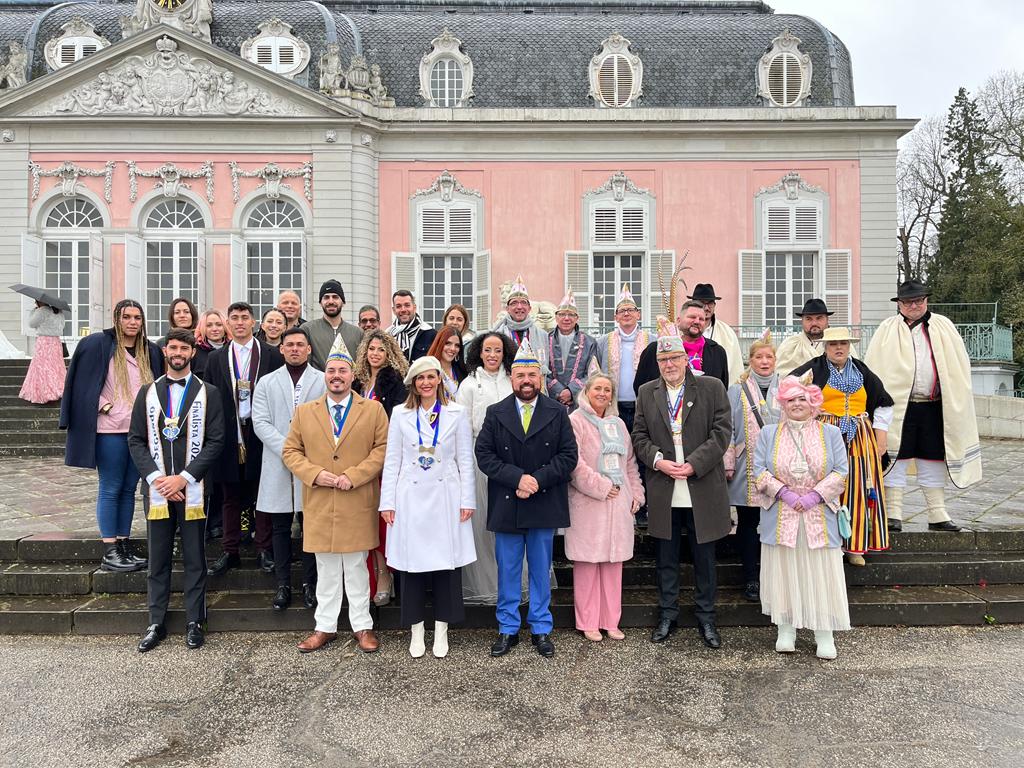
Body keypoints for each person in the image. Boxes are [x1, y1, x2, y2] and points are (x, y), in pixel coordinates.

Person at [283, 334, 388, 654]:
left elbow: (382, 450)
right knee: (326, 568)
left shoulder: (372, 410)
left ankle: (362, 626)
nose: (337, 376)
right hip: (320, 502)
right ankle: (325, 626)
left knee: (357, 568)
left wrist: (352, 476)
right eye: (331, 371)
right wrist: (316, 474)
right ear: (325, 375)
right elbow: (290, 451)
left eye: (342, 371)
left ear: (352, 375)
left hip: (356, 500)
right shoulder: (305, 412)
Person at [632, 317, 731, 649]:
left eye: (674, 358)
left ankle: (706, 618)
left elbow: (721, 434)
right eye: (663, 360)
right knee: (667, 559)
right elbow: (639, 436)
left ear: (685, 359)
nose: (669, 365)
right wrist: (659, 460)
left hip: (700, 485)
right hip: (665, 486)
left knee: (704, 559)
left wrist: (693, 464)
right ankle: (668, 614)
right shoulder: (648, 393)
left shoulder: (711, 387)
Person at [475, 339, 578, 658]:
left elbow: (568, 455)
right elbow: (484, 454)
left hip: (543, 500)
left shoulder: (557, 412)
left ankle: (541, 628)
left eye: (532, 375)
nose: (527, 381)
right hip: (508, 500)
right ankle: (507, 628)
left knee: (540, 569)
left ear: (540, 378)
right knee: (507, 570)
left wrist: (536, 480)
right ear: (512, 378)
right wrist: (517, 478)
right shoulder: (496, 412)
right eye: (520, 375)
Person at [128, 328, 225, 652]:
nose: (179, 352)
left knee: (195, 557)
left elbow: (215, 441)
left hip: (192, 489)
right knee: (158, 558)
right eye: (173, 347)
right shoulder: (147, 393)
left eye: (184, 347)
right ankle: (156, 621)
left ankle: (195, 620)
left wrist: (183, 478)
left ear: (192, 352)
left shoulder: (208, 393)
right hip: (158, 490)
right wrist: (159, 479)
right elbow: (136, 441)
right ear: (165, 351)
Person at [380, 356, 476, 658]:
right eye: (420, 378)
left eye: (431, 377)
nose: (426, 383)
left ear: (439, 380)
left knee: (446, 566)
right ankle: (417, 629)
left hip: (446, 496)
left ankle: (443, 628)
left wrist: (467, 500)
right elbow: (392, 460)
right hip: (410, 497)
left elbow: (465, 459)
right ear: (413, 382)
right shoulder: (399, 413)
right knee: (412, 567)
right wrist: (388, 502)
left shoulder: (456, 413)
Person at [865, 280, 980, 533]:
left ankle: (937, 513)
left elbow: (958, 366)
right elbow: (874, 369)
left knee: (934, 457)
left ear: (926, 300)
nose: (914, 305)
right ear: (900, 305)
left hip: (934, 405)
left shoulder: (944, 327)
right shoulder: (886, 329)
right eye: (908, 302)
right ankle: (893, 512)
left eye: (918, 300)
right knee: (896, 455)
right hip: (896, 407)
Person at [60, 299, 163, 572]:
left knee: (129, 489)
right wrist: (105, 406)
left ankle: (124, 544)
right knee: (111, 486)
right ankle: (109, 549)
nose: (132, 322)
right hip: (111, 430)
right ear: (116, 318)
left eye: (137, 318)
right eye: (127, 317)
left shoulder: (150, 350)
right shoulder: (98, 344)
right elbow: (81, 383)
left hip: (141, 431)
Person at [753, 375, 851, 660]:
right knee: (784, 571)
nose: (797, 404)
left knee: (820, 571)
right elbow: (759, 471)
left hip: (818, 514)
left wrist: (814, 496)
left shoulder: (830, 434)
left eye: (802, 399)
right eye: (791, 400)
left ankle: (824, 632)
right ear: (783, 404)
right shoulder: (769, 434)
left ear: (813, 404)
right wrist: (783, 493)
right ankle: (786, 629)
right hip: (781, 513)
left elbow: (841, 472)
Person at [792, 328, 894, 566]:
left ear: (849, 346)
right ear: (825, 347)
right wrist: (813, 412)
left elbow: (884, 403)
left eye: (843, 344)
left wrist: (881, 437)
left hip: (859, 436)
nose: (839, 348)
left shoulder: (862, 370)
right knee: (824, 487)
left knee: (857, 488)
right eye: (833, 344)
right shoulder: (814, 369)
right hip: (824, 435)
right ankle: (827, 542)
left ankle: (854, 546)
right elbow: (788, 393)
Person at [204, 302, 284, 577]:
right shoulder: (217, 359)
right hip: (229, 433)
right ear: (228, 323)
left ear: (254, 322)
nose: (239, 322)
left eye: (244, 318)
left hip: (261, 431)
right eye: (234, 318)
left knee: (263, 490)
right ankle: (231, 549)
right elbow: (210, 400)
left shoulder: (272, 355)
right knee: (230, 494)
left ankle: (264, 548)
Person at [252, 327, 326, 611]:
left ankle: (310, 583)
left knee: (310, 525)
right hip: (278, 460)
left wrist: (306, 450)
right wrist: (288, 449)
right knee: (280, 526)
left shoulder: (321, 380)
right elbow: (260, 422)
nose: (295, 349)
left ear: (309, 349)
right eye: (289, 345)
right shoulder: (267, 382)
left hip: (313, 461)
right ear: (281, 349)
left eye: (300, 345)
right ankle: (282, 584)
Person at [565, 372, 644, 642]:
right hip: (589, 503)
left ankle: (610, 621)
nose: (602, 393)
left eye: (607, 389)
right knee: (587, 565)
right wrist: (600, 486)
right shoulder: (575, 421)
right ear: (586, 391)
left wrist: (636, 493)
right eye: (597, 388)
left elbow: (630, 462)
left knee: (613, 566)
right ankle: (587, 621)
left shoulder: (619, 424)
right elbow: (574, 463)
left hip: (618, 502)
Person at [457, 332, 516, 605]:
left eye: (498, 350)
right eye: (487, 350)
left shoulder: (513, 380)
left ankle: (513, 583)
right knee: (482, 525)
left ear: (505, 354)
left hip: (513, 457)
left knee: (510, 523)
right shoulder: (469, 384)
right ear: (479, 353)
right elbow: (462, 426)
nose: (492, 355)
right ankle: (486, 585)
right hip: (481, 456)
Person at [352, 329, 409, 606]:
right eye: (371, 349)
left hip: (384, 457)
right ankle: (369, 576)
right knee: (364, 520)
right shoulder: (355, 381)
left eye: (381, 350)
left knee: (382, 521)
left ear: (389, 354)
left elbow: (397, 422)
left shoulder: (394, 382)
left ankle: (386, 574)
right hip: (355, 458)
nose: (375, 353)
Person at [724, 331, 781, 603]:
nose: (764, 361)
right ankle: (750, 576)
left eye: (769, 356)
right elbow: (728, 426)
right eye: (759, 356)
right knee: (748, 522)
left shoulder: (787, 387)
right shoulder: (737, 389)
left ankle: (774, 577)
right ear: (750, 360)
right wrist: (727, 461)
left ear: (776, 360)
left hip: (780, 467)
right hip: (747, 465)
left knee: (775, 521)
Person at [633, 300, 729, 394]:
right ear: (678, 321)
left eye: (701, 319)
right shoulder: (655, 349)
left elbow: (722, 390)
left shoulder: (717, 352)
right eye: (692, 317)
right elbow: (641, 387)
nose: (697, 321)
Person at [595, 284, 649, 433]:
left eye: (631, 310)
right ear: (616, 317)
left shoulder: (651, 340)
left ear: (638, 315)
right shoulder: (603, 342)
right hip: (613, 406)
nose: (626, 313)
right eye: (622, 311)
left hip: (643, 406)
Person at [546, 289, 598, 413]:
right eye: (562, 314)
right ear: (556, 317)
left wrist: (571, 391)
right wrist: (558, 391)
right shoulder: (545, 340)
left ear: (577, 318)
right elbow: (542, 371)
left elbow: (593, 373)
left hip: (580, 402)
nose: (566, 318)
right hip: (552, 400)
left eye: (571, 315)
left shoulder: (589, 342)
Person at [301, 280, 364, 371]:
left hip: (350, 384)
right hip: (319, 384)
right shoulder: (308, 330)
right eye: (326, 297)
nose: (331, 301)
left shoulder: (357, 333)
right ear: (320, 302)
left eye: (335, 297)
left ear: (343, 302)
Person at [491, 274, 549, 373]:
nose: (519, 307)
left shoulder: (543, 335)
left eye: (523, 302)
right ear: (507, 309)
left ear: (529, 308)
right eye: (514, 303)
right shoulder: (497, 335)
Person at [688, 283, 743, 384]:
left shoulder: (727, 333)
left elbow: (736, 370)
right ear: (693, 304)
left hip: (716, 390)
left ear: (714, 305)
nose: (706, 308)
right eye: (702, 303)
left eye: (710, 303)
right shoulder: (682, 330)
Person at [19, 300, 67, 404]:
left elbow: (31, 323)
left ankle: (45, 392)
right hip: (56, 342)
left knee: (42, 367)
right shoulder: (58, 312)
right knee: (56, 367)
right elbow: (62, 327)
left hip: (44, 341)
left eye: (36, 302)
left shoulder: (42, 311)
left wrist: (33, 311)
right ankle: (59, 388)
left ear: (40, 302)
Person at [775, 298, 838, 375]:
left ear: (827, 320)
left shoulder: (840, 343)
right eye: (809, 319)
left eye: (819, 318)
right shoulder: (789, 344)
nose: (814, 323)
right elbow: (779, 375)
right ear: (802, 321)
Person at [388, 290, 437, 361]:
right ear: (394, 310)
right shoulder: (388, 335)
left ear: (414, 307)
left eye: (407, 305)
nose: (403, 309)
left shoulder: (430, 334)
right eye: (398, 306)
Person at [426, 325, 467, 400]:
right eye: (448, 343)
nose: (453, 349)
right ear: (439, 343)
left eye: (457, 345)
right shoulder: (427, 369)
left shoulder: (463, 371)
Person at [193, 309, 231, 381]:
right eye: (209, 325)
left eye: (219, 325)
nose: (214, 329)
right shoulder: (195, 351)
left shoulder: (232, 349)